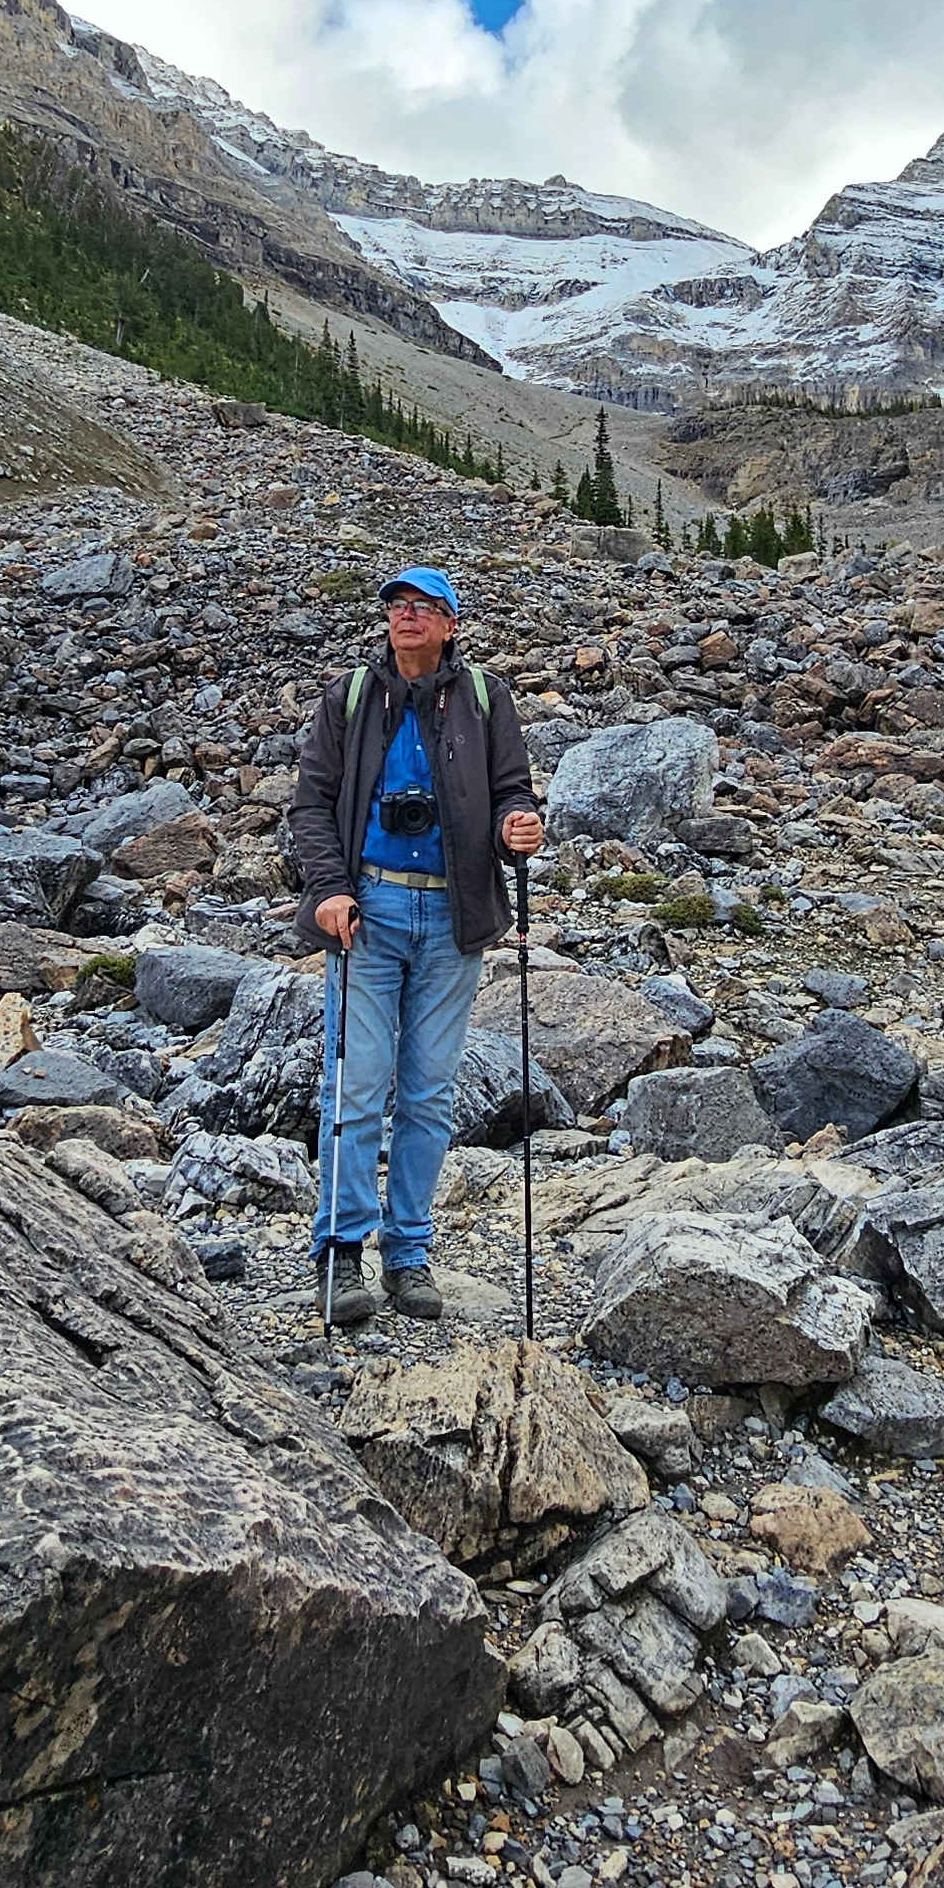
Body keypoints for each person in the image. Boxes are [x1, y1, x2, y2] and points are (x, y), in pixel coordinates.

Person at [281, 565, 545, 1325]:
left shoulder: (487, 699)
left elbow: (512, 791)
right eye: (397, 606)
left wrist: (517, 825)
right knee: (356, 1087)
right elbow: (313, 803)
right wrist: (329, 888)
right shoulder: (353, 698)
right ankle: (340, 1252)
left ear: (451, 624)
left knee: (428, 1094)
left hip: (454, 914)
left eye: (423, 608)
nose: (406, 617)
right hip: (368, 909)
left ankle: (408, 1254)